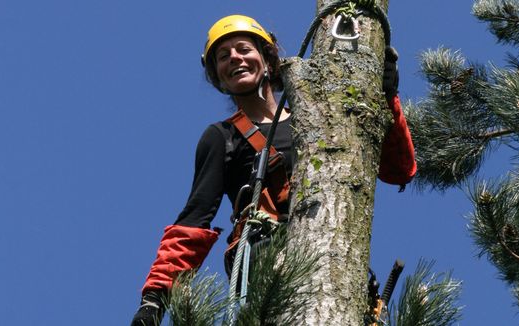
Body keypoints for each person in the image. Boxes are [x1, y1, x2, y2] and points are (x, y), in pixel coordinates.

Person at [131, 14, 416, 326]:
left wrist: (388, 98)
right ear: (220, 78)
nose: (234, 59)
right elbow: (193, 221)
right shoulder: (223, 137)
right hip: (271, 263)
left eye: (243, 49)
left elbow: (398, 170)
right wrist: (154, 298)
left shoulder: (318, 119)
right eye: (223, 57)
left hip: (334, 258)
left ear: (267, 61)